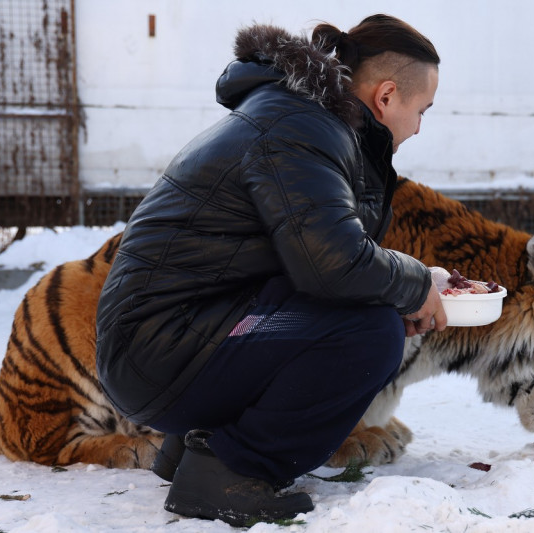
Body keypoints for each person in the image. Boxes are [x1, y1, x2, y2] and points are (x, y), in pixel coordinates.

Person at [95, 14, 446, 527]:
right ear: (387, 96)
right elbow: (335, 264)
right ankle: (231, 469)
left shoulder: (301, 117)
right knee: (370, 335)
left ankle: (194, 449)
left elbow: (314, 262)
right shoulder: (302, 128)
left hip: (167, 341)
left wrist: (394, 290)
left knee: (366, 312)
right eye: (423, 111)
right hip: (157, 349)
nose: (418, 127)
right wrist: (412, 285)